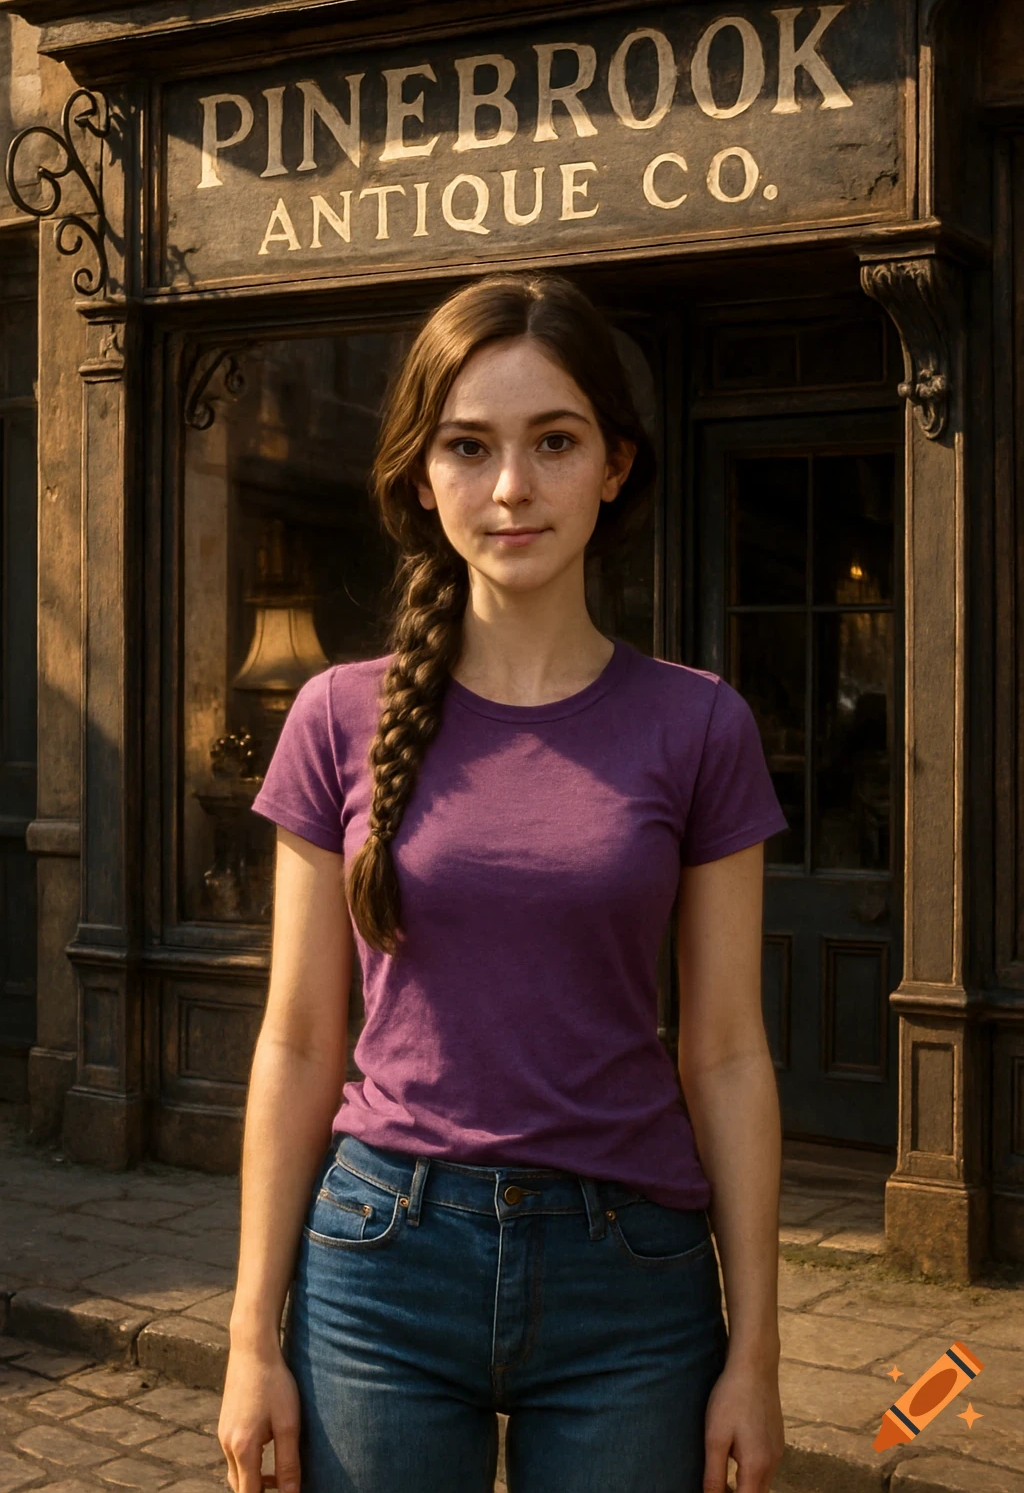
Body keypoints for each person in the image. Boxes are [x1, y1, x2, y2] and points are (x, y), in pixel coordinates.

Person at [217, 272, 788, 1493]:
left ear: (614, 466)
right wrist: (247, 1335)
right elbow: (300, 1042)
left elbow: (728, 1051)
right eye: (468, 447)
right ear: (423, 476)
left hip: (631, 1281)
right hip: (378, 1265)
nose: (512, 488)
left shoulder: (697, 726)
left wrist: (760, 1354)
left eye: (555, 442)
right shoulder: (334, 717)